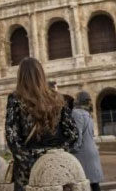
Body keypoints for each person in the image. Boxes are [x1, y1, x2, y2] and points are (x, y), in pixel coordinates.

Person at [5, 57, 78, 191]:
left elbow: (12, 137)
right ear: (41, 74)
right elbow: (73, 134)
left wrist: (30, 161)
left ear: (21, 76)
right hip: (58, 168)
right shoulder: (57, 98)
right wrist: (59, 154)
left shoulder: (16, 99)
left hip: (28, 173)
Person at [71, 91, 104, 191]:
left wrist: (72, 150)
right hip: (91, 150)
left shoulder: (76, 113)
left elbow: (78, 135)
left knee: (82, 182)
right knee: (94, 183)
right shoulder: (87, 113)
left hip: (83, 152)